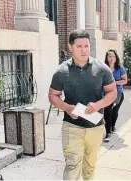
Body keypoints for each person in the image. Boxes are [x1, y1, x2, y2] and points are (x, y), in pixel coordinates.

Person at [48, 29, 117, 180]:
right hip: (72, 126)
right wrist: (66, 107)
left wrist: (98, 104)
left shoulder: (101, 68)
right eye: (79, 47)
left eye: (86, 46)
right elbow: (53, 95)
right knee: (72, 165)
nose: (83, 50)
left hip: (96, 126)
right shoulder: (62, 71)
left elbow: (112, 92)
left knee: (90, 166)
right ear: (70, 47)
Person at [103, 49, 127, 142]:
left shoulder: (120, 68)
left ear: (116, 57)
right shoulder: (104, 68)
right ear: (107, 58)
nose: (112, 58)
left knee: (114, 112)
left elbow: (124, 81)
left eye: (113, 56)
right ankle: (108, 132)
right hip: (106, 94)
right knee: (107, 112)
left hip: (118, 94)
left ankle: (113, 125)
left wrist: (114, 83)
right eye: (109, 56)